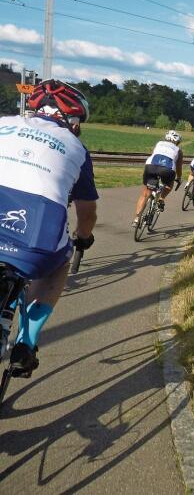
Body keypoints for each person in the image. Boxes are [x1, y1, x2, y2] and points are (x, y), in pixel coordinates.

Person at [0, 79, 98, 377]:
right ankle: (26, 344)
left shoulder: (4, 123)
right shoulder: (77, 149)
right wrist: (82, 238)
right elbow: (87, 212)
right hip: (34, 238)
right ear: (73, 120)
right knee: (59, 261)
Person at [132, 130, 183, 226]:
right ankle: (162, 199)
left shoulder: (159, 144)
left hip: (151, 166)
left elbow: (154, 155)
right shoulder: (178, 151)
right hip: (167, 170)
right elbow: (179, 167)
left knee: (145, 194)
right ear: (178, 142)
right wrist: (179, 178)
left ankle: (137, 218)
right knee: (169, 184)